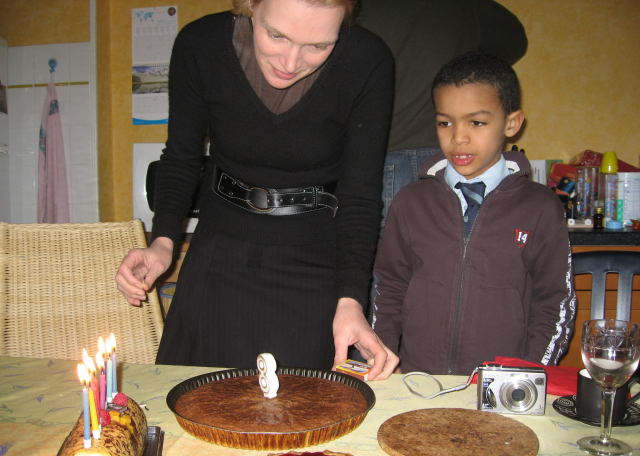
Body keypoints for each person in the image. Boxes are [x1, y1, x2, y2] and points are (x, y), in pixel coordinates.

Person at [115, 0, 399, 379]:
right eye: (276, 35)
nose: (291, 62)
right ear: (251, 5)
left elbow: (360, 195)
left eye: (318, 45)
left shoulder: (367, 60)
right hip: (219, 252)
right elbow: (181, 157)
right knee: (194, 397)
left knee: (302, 406)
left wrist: (351, 301)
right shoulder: (200, 44)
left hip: (313, 260)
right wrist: (163, 241)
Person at [372, 51, 576, 375]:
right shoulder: (411, 202)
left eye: (477, 122)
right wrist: (383, 354)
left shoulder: (540, 207)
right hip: (419, 381)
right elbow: (389, 287)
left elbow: (554, 303)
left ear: (512, 123)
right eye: (445, 122)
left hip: (501, 384)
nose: (458, 137)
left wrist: (527, 375)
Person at [357, 0, 528, 226]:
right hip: (436, 157)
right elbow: (514, 40)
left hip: (393, 154)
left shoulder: (359, 8)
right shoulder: (463, 7)